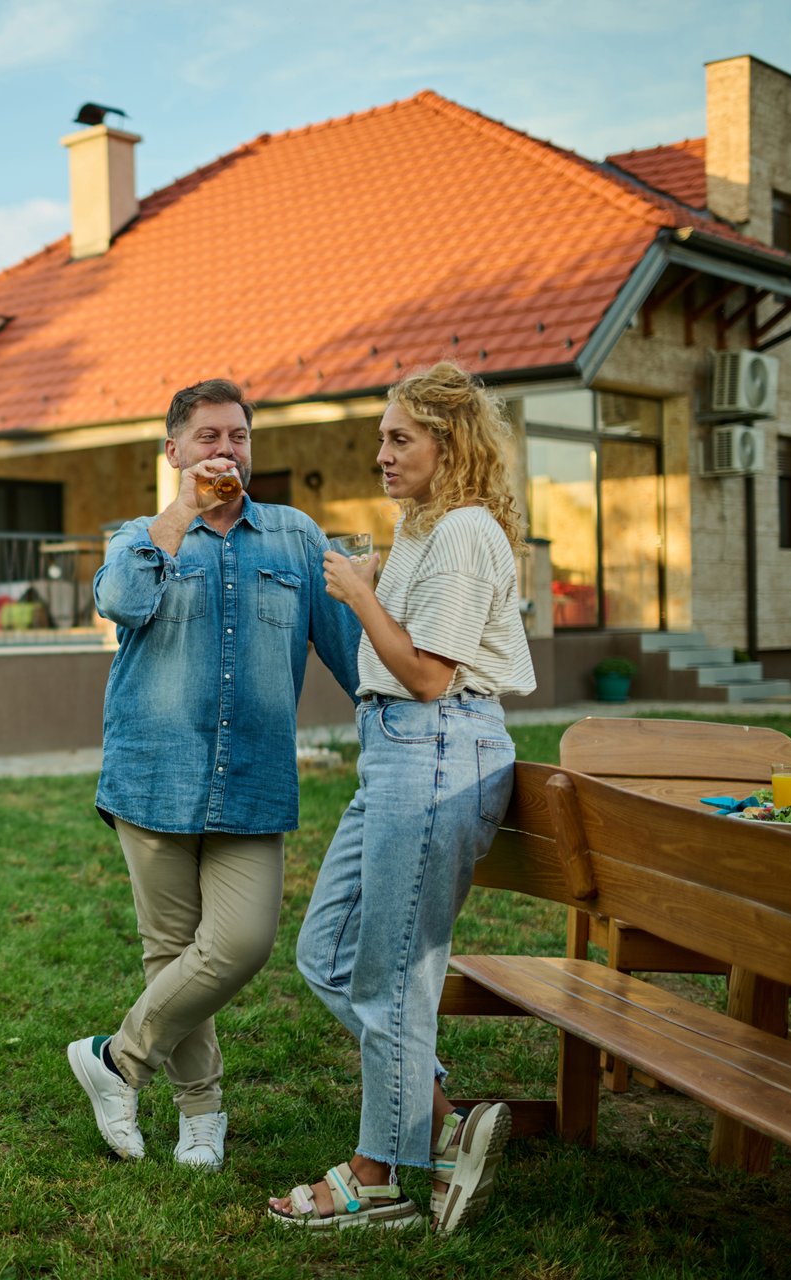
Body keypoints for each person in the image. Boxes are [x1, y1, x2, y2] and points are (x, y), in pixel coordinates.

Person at [65, 378, 362, 1169]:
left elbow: (352, 652)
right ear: (174, 451)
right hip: (153, 776)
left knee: (242, 942)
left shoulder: (296, 537)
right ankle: (201, 1113)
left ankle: (116, 1059)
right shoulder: (141, 536)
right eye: (208, 436)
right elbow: (118, 601)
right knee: (170, 951)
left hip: (253, 781)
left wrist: (400, 721)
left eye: (238, 436)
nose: (226, 450)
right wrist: (181, 513)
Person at [268, 361, 533, 1232]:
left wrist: (358, 594)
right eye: (381, 438)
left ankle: (375, 1178)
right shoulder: (426, 528)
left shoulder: (463, 533)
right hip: (399, 752)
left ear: (446, 445)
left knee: (390, 978)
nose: (381, 454)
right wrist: (375, 579)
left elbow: (427, 675)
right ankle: (446, 1124)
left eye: (398, 438)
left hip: (436, 747)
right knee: (327, 951)